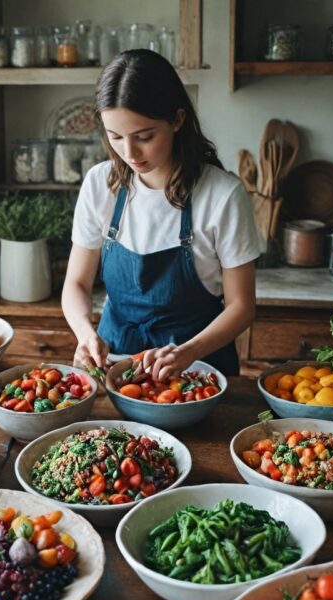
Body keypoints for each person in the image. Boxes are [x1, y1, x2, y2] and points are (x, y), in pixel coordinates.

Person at [62, 49, 262, 381]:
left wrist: (188, 352)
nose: (129, 153)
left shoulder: (222, 195)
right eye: (115, 138)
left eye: (144, 137)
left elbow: (242, 307)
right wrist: (85, 334)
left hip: (196, 370)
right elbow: (77, 283)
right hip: (115, 366)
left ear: (178, 120)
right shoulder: (101, 183)